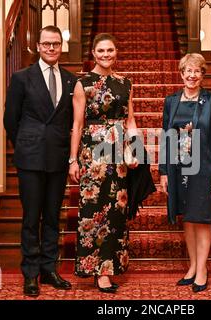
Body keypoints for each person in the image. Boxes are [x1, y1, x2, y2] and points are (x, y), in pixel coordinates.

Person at [4, 25, 78, 297]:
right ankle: (31, 274)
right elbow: (10, 120)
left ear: (61, 46)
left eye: (56, 44)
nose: (51, 48)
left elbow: (72, 121)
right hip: (31, 158)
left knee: (52, 218)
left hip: (58, 158)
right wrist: (25, 145)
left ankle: (49, 269)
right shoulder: (22, 77)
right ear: (38, 46)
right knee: (30, 218)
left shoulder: (71, 80)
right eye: (46, 44)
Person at [69, 33, 139, 293]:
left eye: (110, 50)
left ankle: (109, 268)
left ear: (116, 52)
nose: (106, 54)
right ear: (93, 53)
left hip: (119, 153)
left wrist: (136, 153)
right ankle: (96, 271)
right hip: (93, 154)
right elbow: (77, 124)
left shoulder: (125, 83)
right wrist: (72, 160)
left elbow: (130, 120)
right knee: (93, 211)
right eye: (101, 50)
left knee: (115, 212)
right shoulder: (83, 83)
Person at [159, 53, 211, 293]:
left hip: (204, 166)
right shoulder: (171, 101)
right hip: (178, 167)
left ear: (203, 75)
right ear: (181, 73)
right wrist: (164, 172)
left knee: (202, 217)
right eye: (187, 70)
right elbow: (166, 137)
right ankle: (192, 266)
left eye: (197, 71)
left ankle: (202, 269)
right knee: (187, 217)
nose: (191, 75)